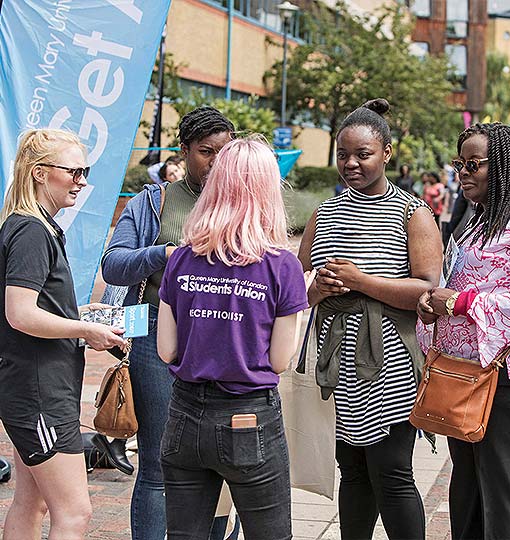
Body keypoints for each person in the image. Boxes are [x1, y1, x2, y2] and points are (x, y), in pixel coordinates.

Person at [298, 98, 442, 540]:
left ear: (387, 153)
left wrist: (361, 281)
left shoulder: (412, 212)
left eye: (363, 153)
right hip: (336, 363)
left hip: (391, 362)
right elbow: (296, 288)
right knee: (353, 471)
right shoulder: (324, 211)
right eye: (344, 154)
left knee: (392, 472)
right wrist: (316, 290)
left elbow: (426, 289)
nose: (351, 163)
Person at [157, 136, 311, 540]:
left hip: (184, 415)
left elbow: (166, 348)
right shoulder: (282, 267)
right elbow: (279, 361)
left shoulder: (182, 259)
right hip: (249, 417)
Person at [101, 106, 238, 540]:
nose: (216, 161)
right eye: (205, 151)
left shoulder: (244, 206)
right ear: (183, 151)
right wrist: (163, 254)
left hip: (226, 340)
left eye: (225, 152)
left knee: (221, 457)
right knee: (161, 458)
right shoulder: (152, 201)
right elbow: (113, 264)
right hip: (159, 335)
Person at [0, 129, 127, 540]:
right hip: (39, 391)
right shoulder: (32, 230)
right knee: (74, 512)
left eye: (84, 171)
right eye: (74, 171)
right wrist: (85, 328)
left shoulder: (30, 226)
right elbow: (19, 313)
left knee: (31, 501)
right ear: (39, 173)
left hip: (33, 385)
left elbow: (31, 307)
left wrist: (79, 315)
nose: (82, 180)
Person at [417, 122, 510, 540]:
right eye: (459, 163)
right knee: (465, 491)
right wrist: (432, 305)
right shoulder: (477, 220)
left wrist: (461, 302)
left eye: (473, 163)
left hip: (508, 377)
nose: (462, 172)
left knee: (500, 492)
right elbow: (457, 283)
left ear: (503, 165)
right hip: (466, 374)